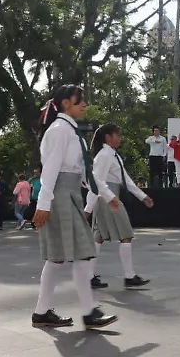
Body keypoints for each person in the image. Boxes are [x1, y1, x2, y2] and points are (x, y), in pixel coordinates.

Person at [31, 84, 117, 330]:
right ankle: (87, 311)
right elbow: (51, 169)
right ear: (66, 103)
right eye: (80, 100)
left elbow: (81, 172)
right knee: (77, 253)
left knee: (60, 256)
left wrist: (106, 194)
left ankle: (43, 312)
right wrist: (44, 203)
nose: (84, 105)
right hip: (60, 195)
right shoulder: (60, 130)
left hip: (68, 195)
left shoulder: (69, 131)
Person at [86, 123, 153, 290]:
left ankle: (88, 276)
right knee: (126, 235)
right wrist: (109, 199)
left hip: (106, 197)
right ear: (108, 137)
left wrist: (142, 196)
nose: (120, 138)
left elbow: (126, 181)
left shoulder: (111, 155)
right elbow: (96, 181)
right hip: (109, 197)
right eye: (118, 135)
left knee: (98, 238)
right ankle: (129, 276)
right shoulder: (105, 155)